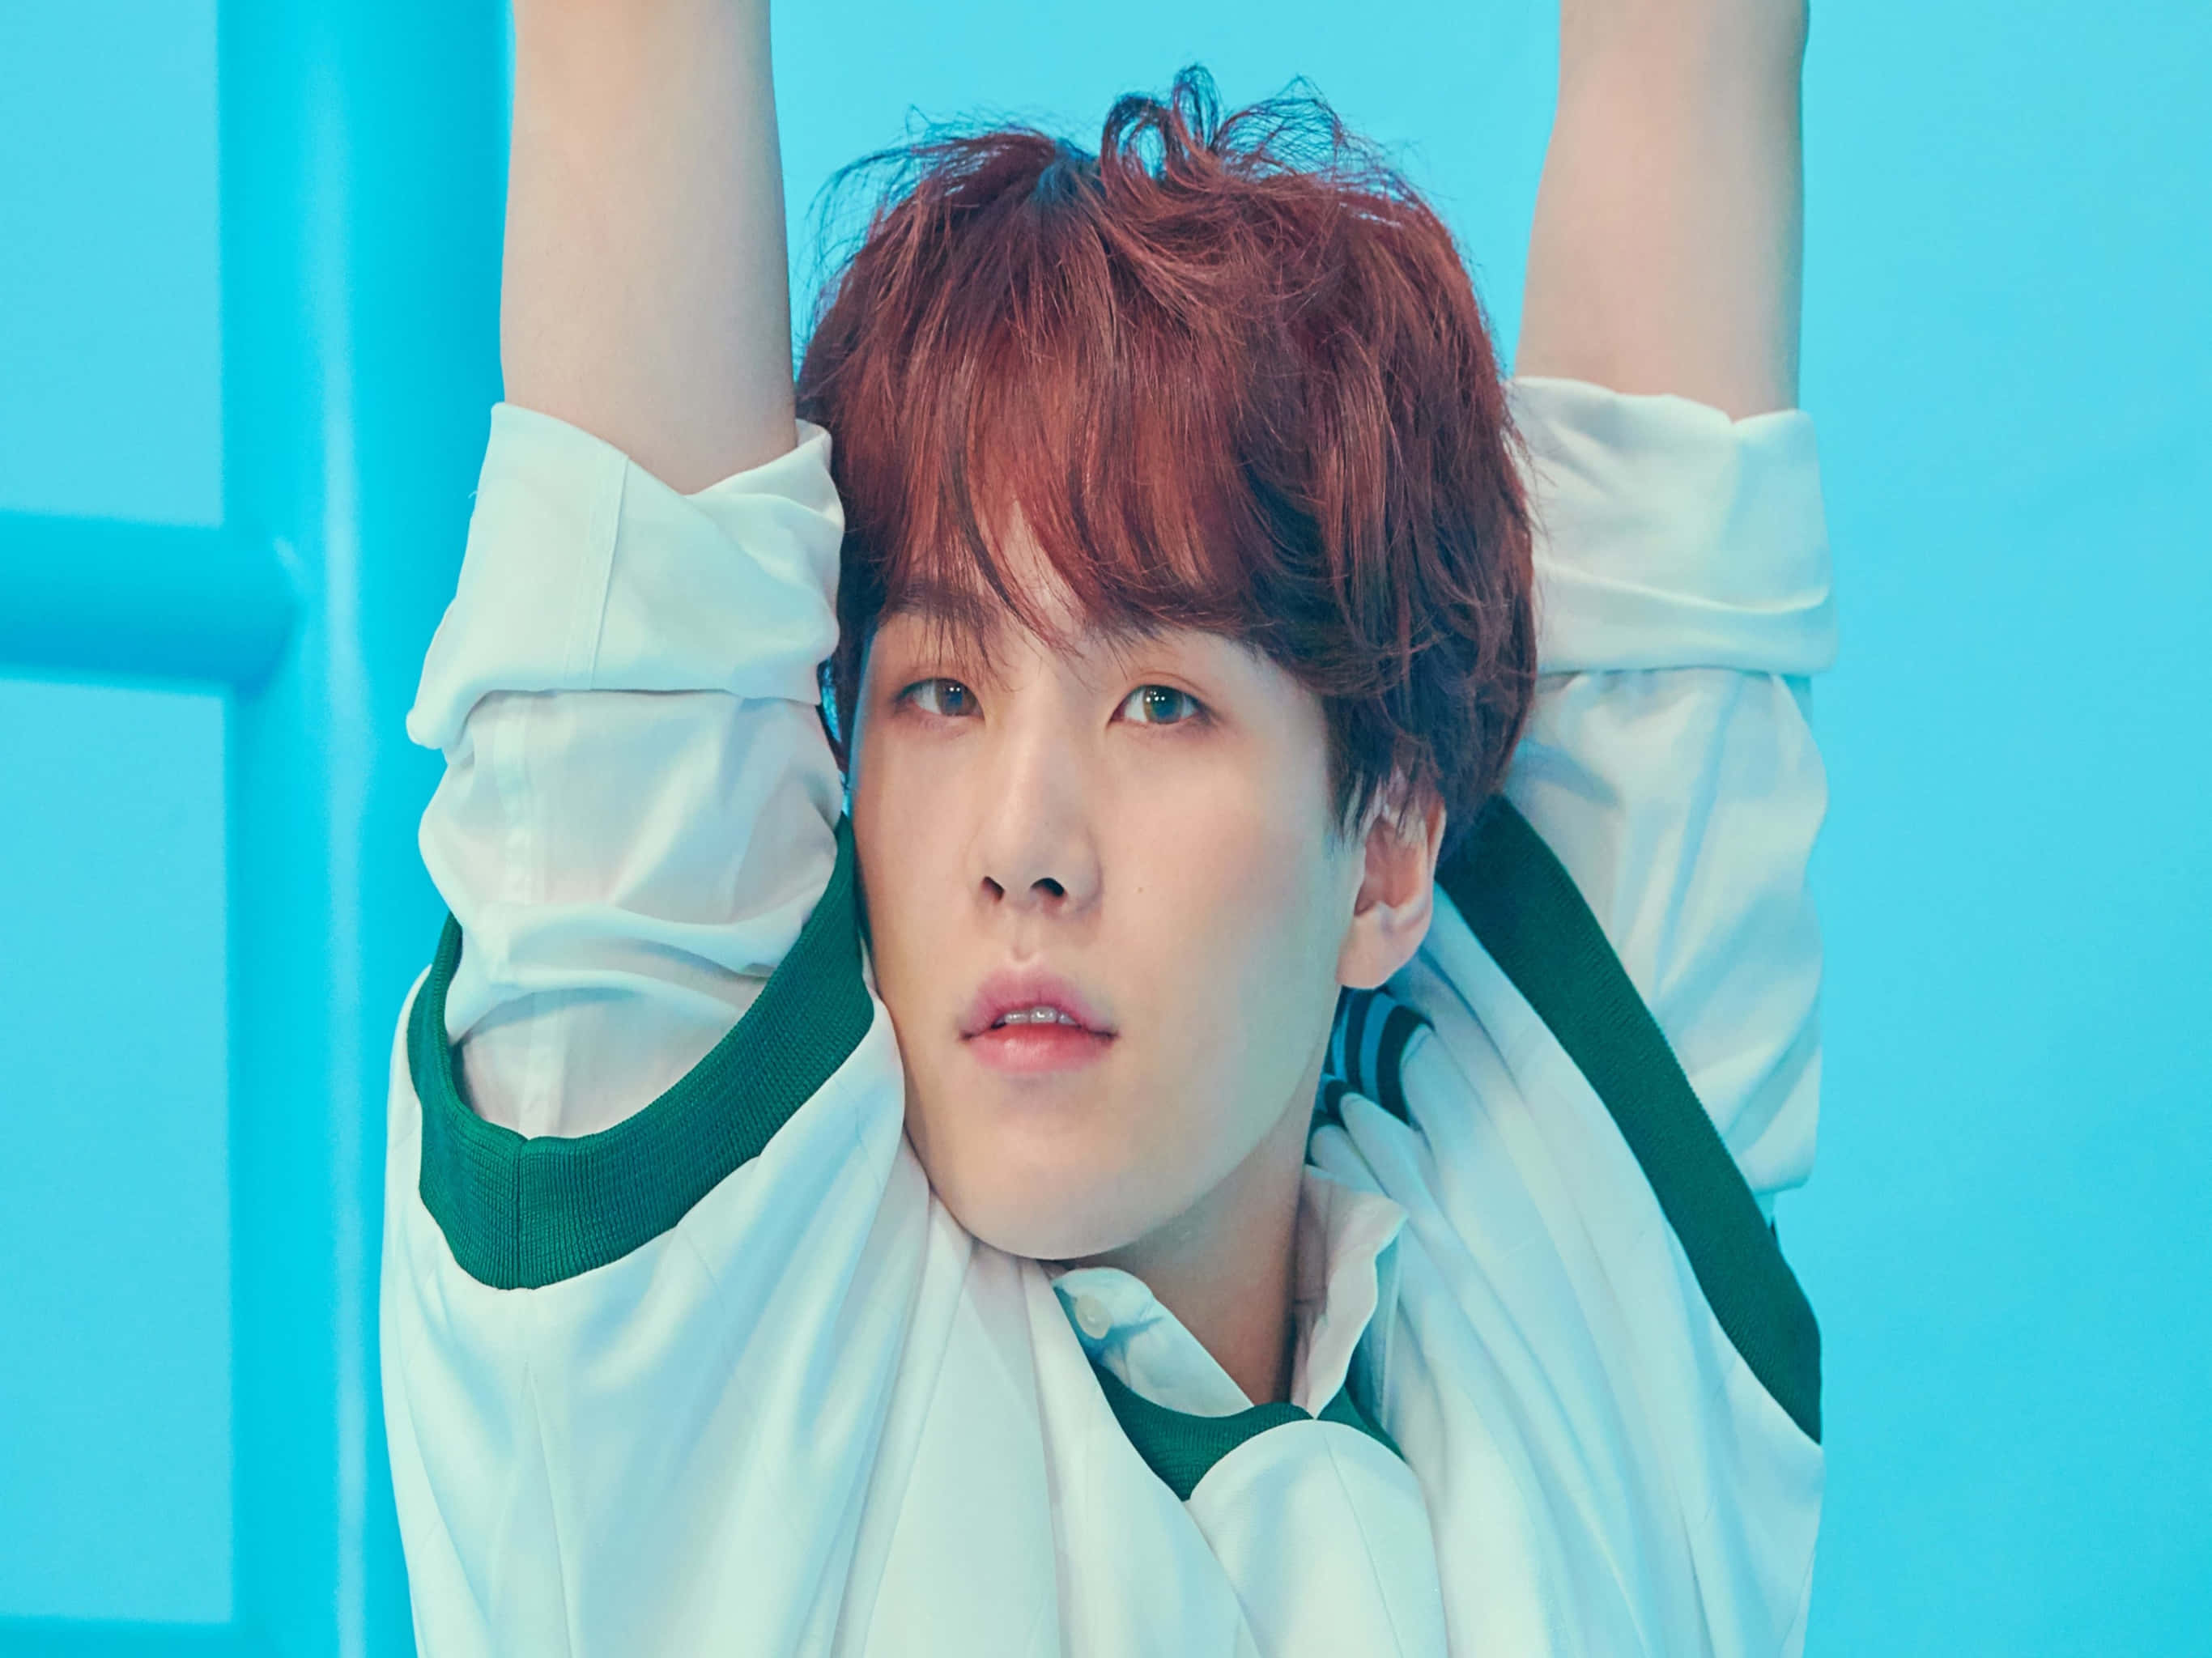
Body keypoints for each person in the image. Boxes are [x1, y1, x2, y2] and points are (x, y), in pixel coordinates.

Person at [380, 0, 1832, 1651]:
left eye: (1159, 704)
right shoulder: (705, 1358)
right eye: (940, 691)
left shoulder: (1581, 1309)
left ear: (1385, 854)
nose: (1024, 846)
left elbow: (1687, 75)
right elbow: (637, 610)